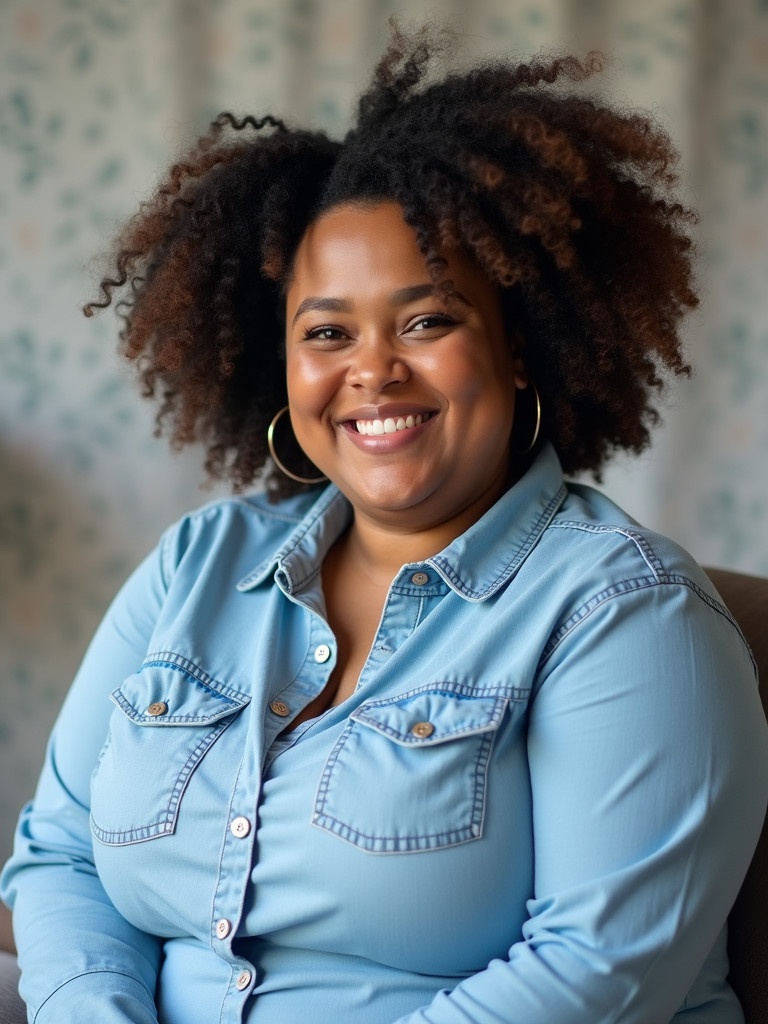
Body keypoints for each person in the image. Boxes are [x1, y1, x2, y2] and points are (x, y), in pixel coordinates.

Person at [2, 22, 767, 1024]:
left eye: (428, 320)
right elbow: (61, 856)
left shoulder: (629, 615)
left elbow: (593, 974)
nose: (372, 371)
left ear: (523, 346)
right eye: (327, 332)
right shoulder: (198, 564)